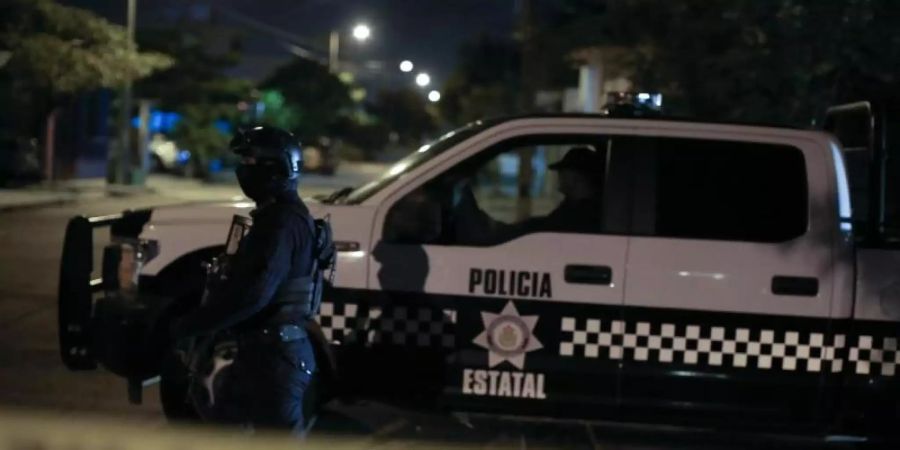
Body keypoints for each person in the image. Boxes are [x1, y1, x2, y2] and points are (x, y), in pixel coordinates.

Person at [170, 126, 323, 436]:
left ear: (275, 167)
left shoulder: (281, 223)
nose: (243, 170)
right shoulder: (277, 216)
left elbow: (255, 294)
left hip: (276, 360)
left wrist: (194, 326)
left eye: (251, 162)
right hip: (260, 353)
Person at [452, 146, 605, 244]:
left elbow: (546, 234)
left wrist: (506, 231)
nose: (559, 176)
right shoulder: (572, 206)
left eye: (563, 172)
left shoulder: (583, 214)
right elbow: (544, 226)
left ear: (575, 177)